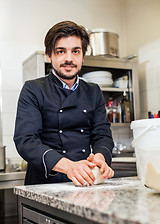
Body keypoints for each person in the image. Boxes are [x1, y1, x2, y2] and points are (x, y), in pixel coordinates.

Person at [14, 20, 114, 186]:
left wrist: (99, 158)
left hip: (85, 181)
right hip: (44, 184)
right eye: (61, 51)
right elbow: (26, 141)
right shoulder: (33, 89)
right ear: (49, 55)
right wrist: (69, 167)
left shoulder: (93, 91)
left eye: (76, 51)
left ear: (83, 56)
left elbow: (102, 134)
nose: (69, 58)